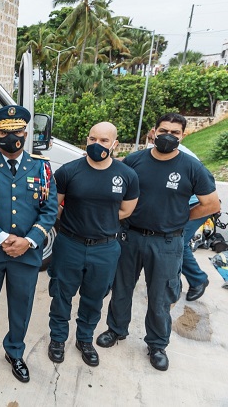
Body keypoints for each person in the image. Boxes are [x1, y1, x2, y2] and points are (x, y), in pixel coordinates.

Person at [97, 113, 220, 371]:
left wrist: (182, 217)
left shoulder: (191, 167)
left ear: (183, 136)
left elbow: (211, 204)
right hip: (131, 236)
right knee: (121, 288)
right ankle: (116, 330)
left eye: (175, 133)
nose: (168, 136)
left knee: (160, 296)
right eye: (164, 130)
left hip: (167, 243)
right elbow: (115, 177)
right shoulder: (136, 160)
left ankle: (156, 344)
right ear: (153, 131)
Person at [0, 105, 57, 383]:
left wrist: (29, 241)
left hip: (26, 254)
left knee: (21, 305)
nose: (11, 136)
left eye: (16, 131)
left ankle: (15, 352)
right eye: (4, 132)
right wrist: (3, 238)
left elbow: (50, 210)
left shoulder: (42, 167)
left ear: (26, 133)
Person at [47, 122, 139, 367]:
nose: (96, 144)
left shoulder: (127, 175)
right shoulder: (68, 171)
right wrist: (75, 219)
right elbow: (54, 206)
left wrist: (100, 219)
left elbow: (128, 209)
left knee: (94, 297)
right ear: (86, 140)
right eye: (92, 139)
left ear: (114, 144)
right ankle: (57, 339)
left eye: (104, 141)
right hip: (69, 244)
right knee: (61, 294)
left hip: (105, 248)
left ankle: (84, 339)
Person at [146, 130, 212, 301]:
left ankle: (198, 280)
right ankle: (181, 280)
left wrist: (180, 217)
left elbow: (207, 185)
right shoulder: (159, 152)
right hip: (184, 205)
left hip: (195, 205)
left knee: (177, 243)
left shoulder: (181, 155)